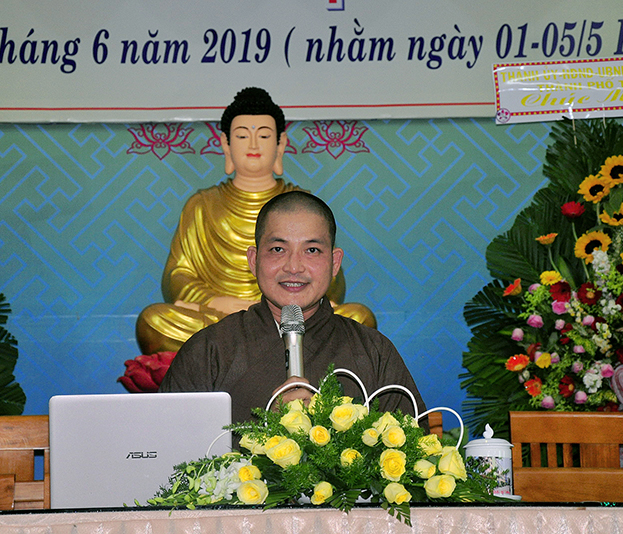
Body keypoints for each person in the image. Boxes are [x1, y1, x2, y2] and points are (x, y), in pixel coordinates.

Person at [135, 87, 375, 356]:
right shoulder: (202, 205)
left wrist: (297, 297)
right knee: (153, 322)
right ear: (226, 144)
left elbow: (331, 279)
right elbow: (178, 276)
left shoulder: (303, 204)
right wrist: (219, 303)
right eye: (241, 136)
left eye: (263, 135)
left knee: (359, 317)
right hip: (221, 317)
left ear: (280, 144)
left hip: (292, 317)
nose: (253, 145)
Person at [159, 191, 425, 424]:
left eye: (312, 250)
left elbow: (413, 452)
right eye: (278, 249)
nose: (294, 267)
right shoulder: (208, 350)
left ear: (334, 263)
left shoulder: (373, 351)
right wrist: (269, 431)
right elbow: (170, 448)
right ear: (253, 261)